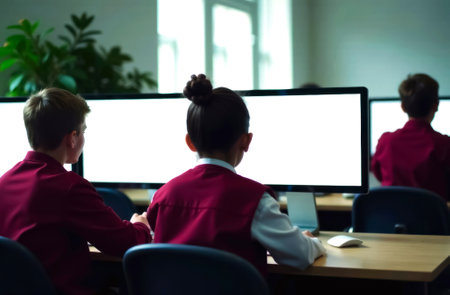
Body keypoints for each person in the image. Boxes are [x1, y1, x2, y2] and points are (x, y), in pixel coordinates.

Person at [147, 74, 326, 277]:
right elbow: (299, 256)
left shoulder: (162, 196)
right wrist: (312, 242)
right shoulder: (256, 201)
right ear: (246, 141)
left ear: (190, 142)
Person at [0, 88, 152, 295]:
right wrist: (140, 226)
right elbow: (124, 242)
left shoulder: (5, 181)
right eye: (83, 131)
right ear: (72, 138)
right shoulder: (69, 187)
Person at [371, 73, 450, 201]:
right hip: (431, 219)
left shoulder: (386, 142)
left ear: (402, 107)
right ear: (436, 106)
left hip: (391, 218)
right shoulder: (445, 144)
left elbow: (378, 173)